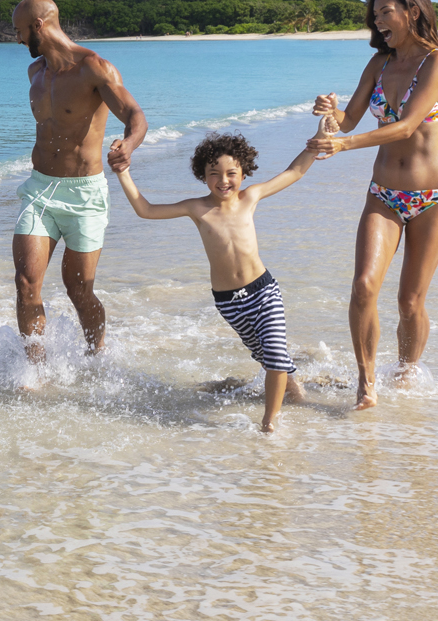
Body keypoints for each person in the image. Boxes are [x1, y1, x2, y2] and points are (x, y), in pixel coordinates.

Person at [307, 0, 438, 410]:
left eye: (385, 12)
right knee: (362, 287)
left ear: (412, 11)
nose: (377, 22)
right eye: (374, 16)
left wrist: (343, 146)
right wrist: (329, 112)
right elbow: (350, 119)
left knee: (410, 301)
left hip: (434, 195)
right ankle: (367, 381)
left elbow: (408, 125)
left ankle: (408, 372)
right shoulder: (378, 62)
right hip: (384, 193)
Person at [113, 132, 317, 432]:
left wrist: (319, 139)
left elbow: (295, 171)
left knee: (275, 353)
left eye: (231, 173)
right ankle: (292, 386)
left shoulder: (251, 197)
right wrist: (123, 172)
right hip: (229, 303)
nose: (224, 180)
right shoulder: (197, 208)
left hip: (263, 291)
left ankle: (270, 420)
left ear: (243, 173)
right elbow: (146, 210)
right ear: (203, 176)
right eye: (214, 174)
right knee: (263, 355)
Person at [9, 0, 148, 378]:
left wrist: (129, 145)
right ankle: (34, 370)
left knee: (79, 290)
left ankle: (96, 354)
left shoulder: (94, 68)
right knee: (26, 283)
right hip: (39, 189)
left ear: (38, 25)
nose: (17, 39)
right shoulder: (35, 72)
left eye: (20, 31)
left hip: (85, 195)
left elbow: (135, 114)